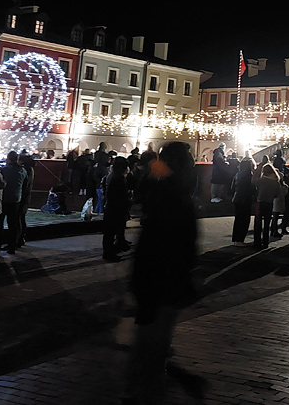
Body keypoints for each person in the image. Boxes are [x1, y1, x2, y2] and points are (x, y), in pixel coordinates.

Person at [126, 142, 201, 403]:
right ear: (179, 164)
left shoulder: (165, 189)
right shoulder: (171, 194)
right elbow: (169, 241)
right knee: (152, 342)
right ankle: (141, 391)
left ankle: (142, 386)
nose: (194, 165)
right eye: (189, 160)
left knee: (151, 339)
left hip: (156, 278)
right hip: (161, 279)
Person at [0, 151, 27, 255]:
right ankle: (12, 246)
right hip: (16, 199)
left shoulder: (4, 170)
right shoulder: (22, 171)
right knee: (13, 224)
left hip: (4, 199)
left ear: (8, 158)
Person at [252, 162, 281, 249]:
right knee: (267, 223)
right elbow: (278, 194)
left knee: (258, 223)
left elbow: (253, 181)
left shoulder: (262, 180)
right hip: (269, 203)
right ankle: (265, 242)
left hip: (260, 202)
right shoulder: (276, 181)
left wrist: (257, 170)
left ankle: (257, 242)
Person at [230, 157, 256, 246]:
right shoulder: (250, 176)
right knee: (244, 220)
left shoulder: (237, 175)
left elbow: (232, 188)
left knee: (238, 219)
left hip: (237, 198)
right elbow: (253, 189)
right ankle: (240, 239)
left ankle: (236, 239)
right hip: (246, 200)